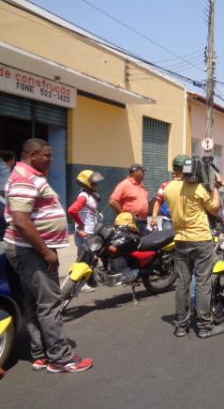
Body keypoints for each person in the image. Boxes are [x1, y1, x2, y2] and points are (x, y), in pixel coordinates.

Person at [3, 138, 92, 372]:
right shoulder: (25, 177)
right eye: (48, 155)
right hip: (32, 250)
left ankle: (40, 354)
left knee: (33, 303)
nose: (51, 160)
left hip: (28, 249)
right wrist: (46, 252)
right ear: (33, 155)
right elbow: (21, 220)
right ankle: (61, 359)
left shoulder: (27, 175)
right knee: (49, 304)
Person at [162, 168, 224, 339]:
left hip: (180, 240)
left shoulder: (168, 188)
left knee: (182, 283)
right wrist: (217, 188)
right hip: (201, 240)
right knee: (203, 283)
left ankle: (181, 326)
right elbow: (214, 209)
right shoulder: (199, 189)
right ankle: (205, 327)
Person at [67, 169, 104, 292]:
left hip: (90, 232)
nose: (96, 185)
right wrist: (81, 225)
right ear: (86, 183)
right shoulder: (83, 196)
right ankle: (78, 285)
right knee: (82, 259)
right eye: (93, 183)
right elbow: (72, 210)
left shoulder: (89, 195)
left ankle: (90, 281)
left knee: (90, 258)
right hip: (85, 234)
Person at [150, 155, 188, 231]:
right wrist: (154, 217)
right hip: (168, 221)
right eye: (174, 170)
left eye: (177, 170)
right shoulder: (164, 186)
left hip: (185, 222)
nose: (174, 173)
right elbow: (158, 201)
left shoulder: (188, 186)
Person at [109, 163, 149, 234]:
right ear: (136, 171)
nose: (144, 174)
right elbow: (112, 201)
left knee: (141, 244)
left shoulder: (141, 186)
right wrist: (123, 215)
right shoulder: (124, 184)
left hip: (143, 222)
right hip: (129, 223)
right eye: (142, 171)